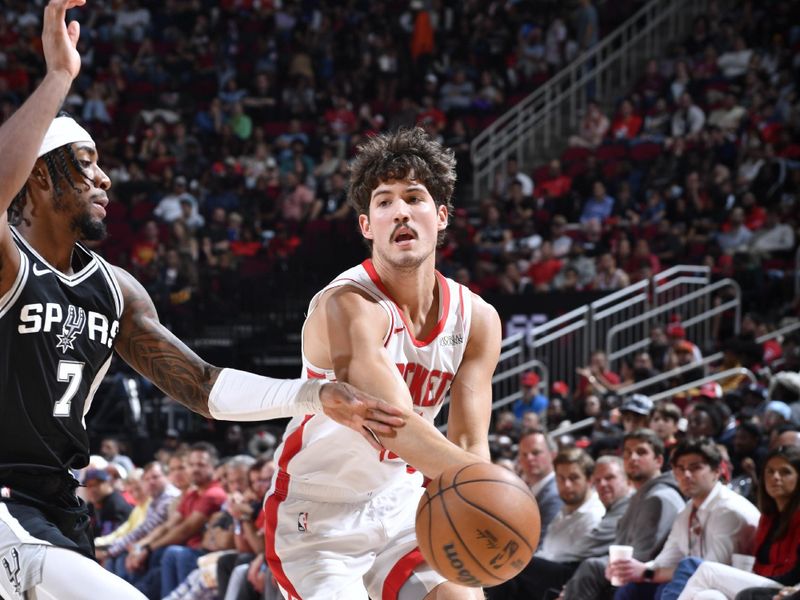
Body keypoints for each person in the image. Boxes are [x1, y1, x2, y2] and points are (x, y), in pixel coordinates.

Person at [0, 3, 402, 599]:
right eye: (86, 166)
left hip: (62, 505)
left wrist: (314, 395)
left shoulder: (117, 290)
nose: (105, 180)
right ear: (37, 177)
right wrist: (59, 76)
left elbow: (203, 386)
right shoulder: (8, 263)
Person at [264, 127, 502, 599]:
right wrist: (496, 491)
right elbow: (395, 425)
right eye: (384, 201)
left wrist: (483, 514)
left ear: (441, 215)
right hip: (317, 514)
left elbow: (471, 440)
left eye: (413, 198)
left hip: (400, 505)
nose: (400, 211)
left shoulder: (477, 319)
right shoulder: (346, 304)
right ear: (366, 226)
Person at [608, 437, 761, 600]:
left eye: (695, 468)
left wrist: (648, 572)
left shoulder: (728, 510)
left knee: (691, 579)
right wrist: (633, 569)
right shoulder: (687, 510)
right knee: (636, 583)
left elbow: (709, 570)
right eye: (680, 469)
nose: (686, 475)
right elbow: (666, 559)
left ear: (716, 471)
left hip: (740, 588)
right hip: (702, 582)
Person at [487, 456, 632, 600]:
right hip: (572, 571)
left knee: (513, 565)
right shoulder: (563, 512)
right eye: (598, 480)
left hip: (580, 574)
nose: (567, 485)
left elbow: (583, 552)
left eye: (610, 478)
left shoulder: (605, 511)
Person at [563, 429, 685, 600]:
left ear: (658, 460)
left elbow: (642, 557)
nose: (632, 458)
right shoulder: (643, 494)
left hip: (650, 580)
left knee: (591, 566)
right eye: (627, 453)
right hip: (636, 577)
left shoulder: (658, 497)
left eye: (641, 452)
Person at [676, 446, 800, 600]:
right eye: (770, 471)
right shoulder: (768, 517)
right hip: (764, 580)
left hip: (787, 588)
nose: (775, 477)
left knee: (706, 570)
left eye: (785, 472)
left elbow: (795, 574)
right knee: (709, 596)